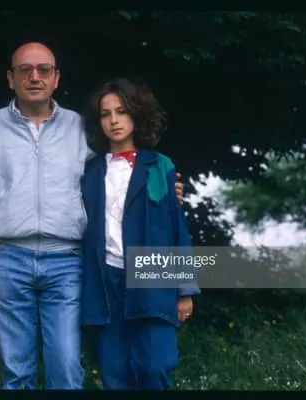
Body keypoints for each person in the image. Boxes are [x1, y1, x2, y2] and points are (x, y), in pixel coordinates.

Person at [0, 42, 186, 389]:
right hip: (7, 259)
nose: (35, 77)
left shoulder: (80, 127)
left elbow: (120, 174)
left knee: (67, 368)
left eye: (44, 69)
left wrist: (162, 185)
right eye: (25, 70)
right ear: (10, 79)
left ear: (56, 78)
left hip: (67, 261)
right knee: (17, 371)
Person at [79, 78, 200, 390]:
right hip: (105, 279)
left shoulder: (160, 166)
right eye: (106, 114)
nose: (114, 120)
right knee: (113, 372)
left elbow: (176, 227)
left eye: (121, 111)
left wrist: (185, 288)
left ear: (136, 114)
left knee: (154, 366)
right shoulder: (89, 171)